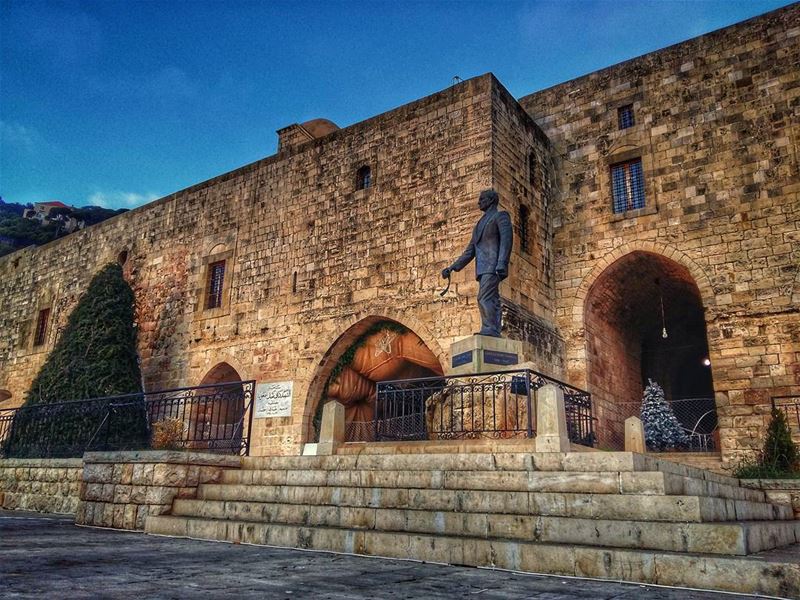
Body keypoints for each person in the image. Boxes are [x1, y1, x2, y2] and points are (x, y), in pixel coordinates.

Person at [441, 189, 513, 337]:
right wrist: (452, 267)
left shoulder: (501, 216)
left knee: (484, 297)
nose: (479, 202)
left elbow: (507, 240)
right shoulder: (479, 225)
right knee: (492, 298)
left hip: (493, 265)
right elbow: (470, 251)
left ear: (491, 200)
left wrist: (502, 262)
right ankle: (494, 329)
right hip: (482, 269)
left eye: (482, 199)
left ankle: (490, 329)